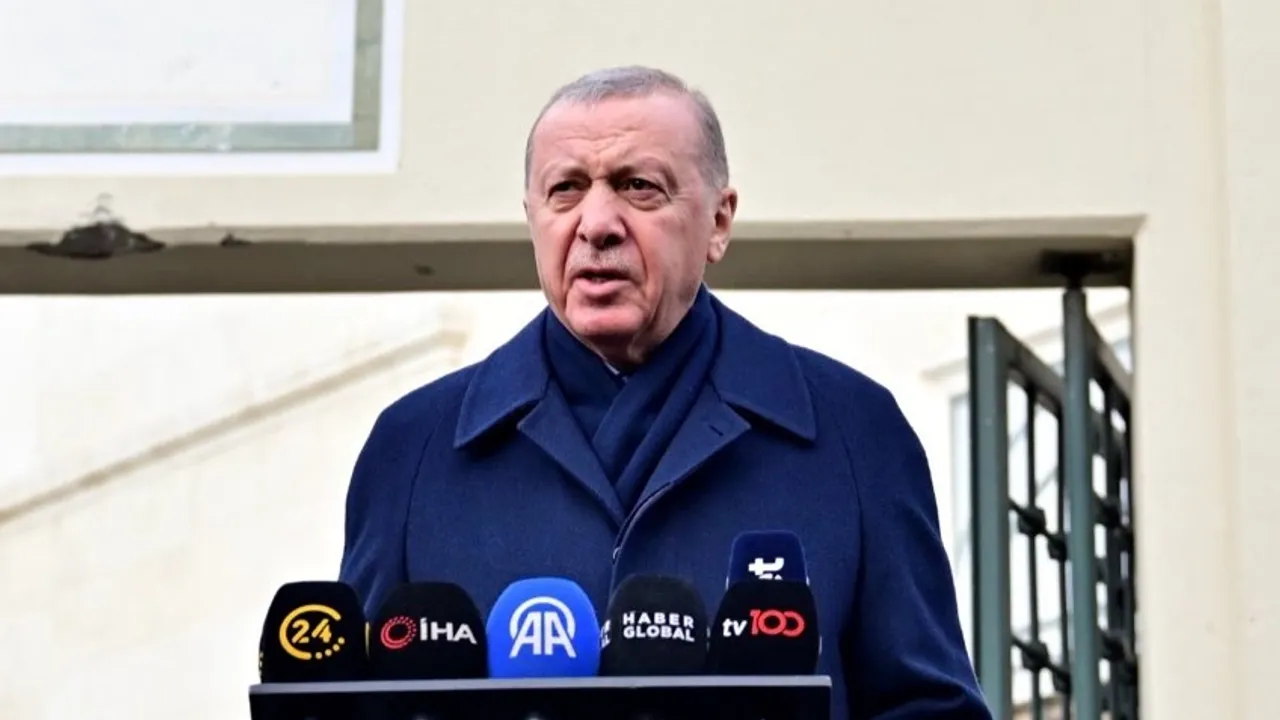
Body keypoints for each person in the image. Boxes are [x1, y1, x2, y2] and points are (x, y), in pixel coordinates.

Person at [338, 65, 991, 719]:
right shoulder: (415, 449)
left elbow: (930, 708)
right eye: (566, 190)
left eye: (639, 187)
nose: (597, 223)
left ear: (719, 222)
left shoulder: (851, 431)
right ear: (532, 217)